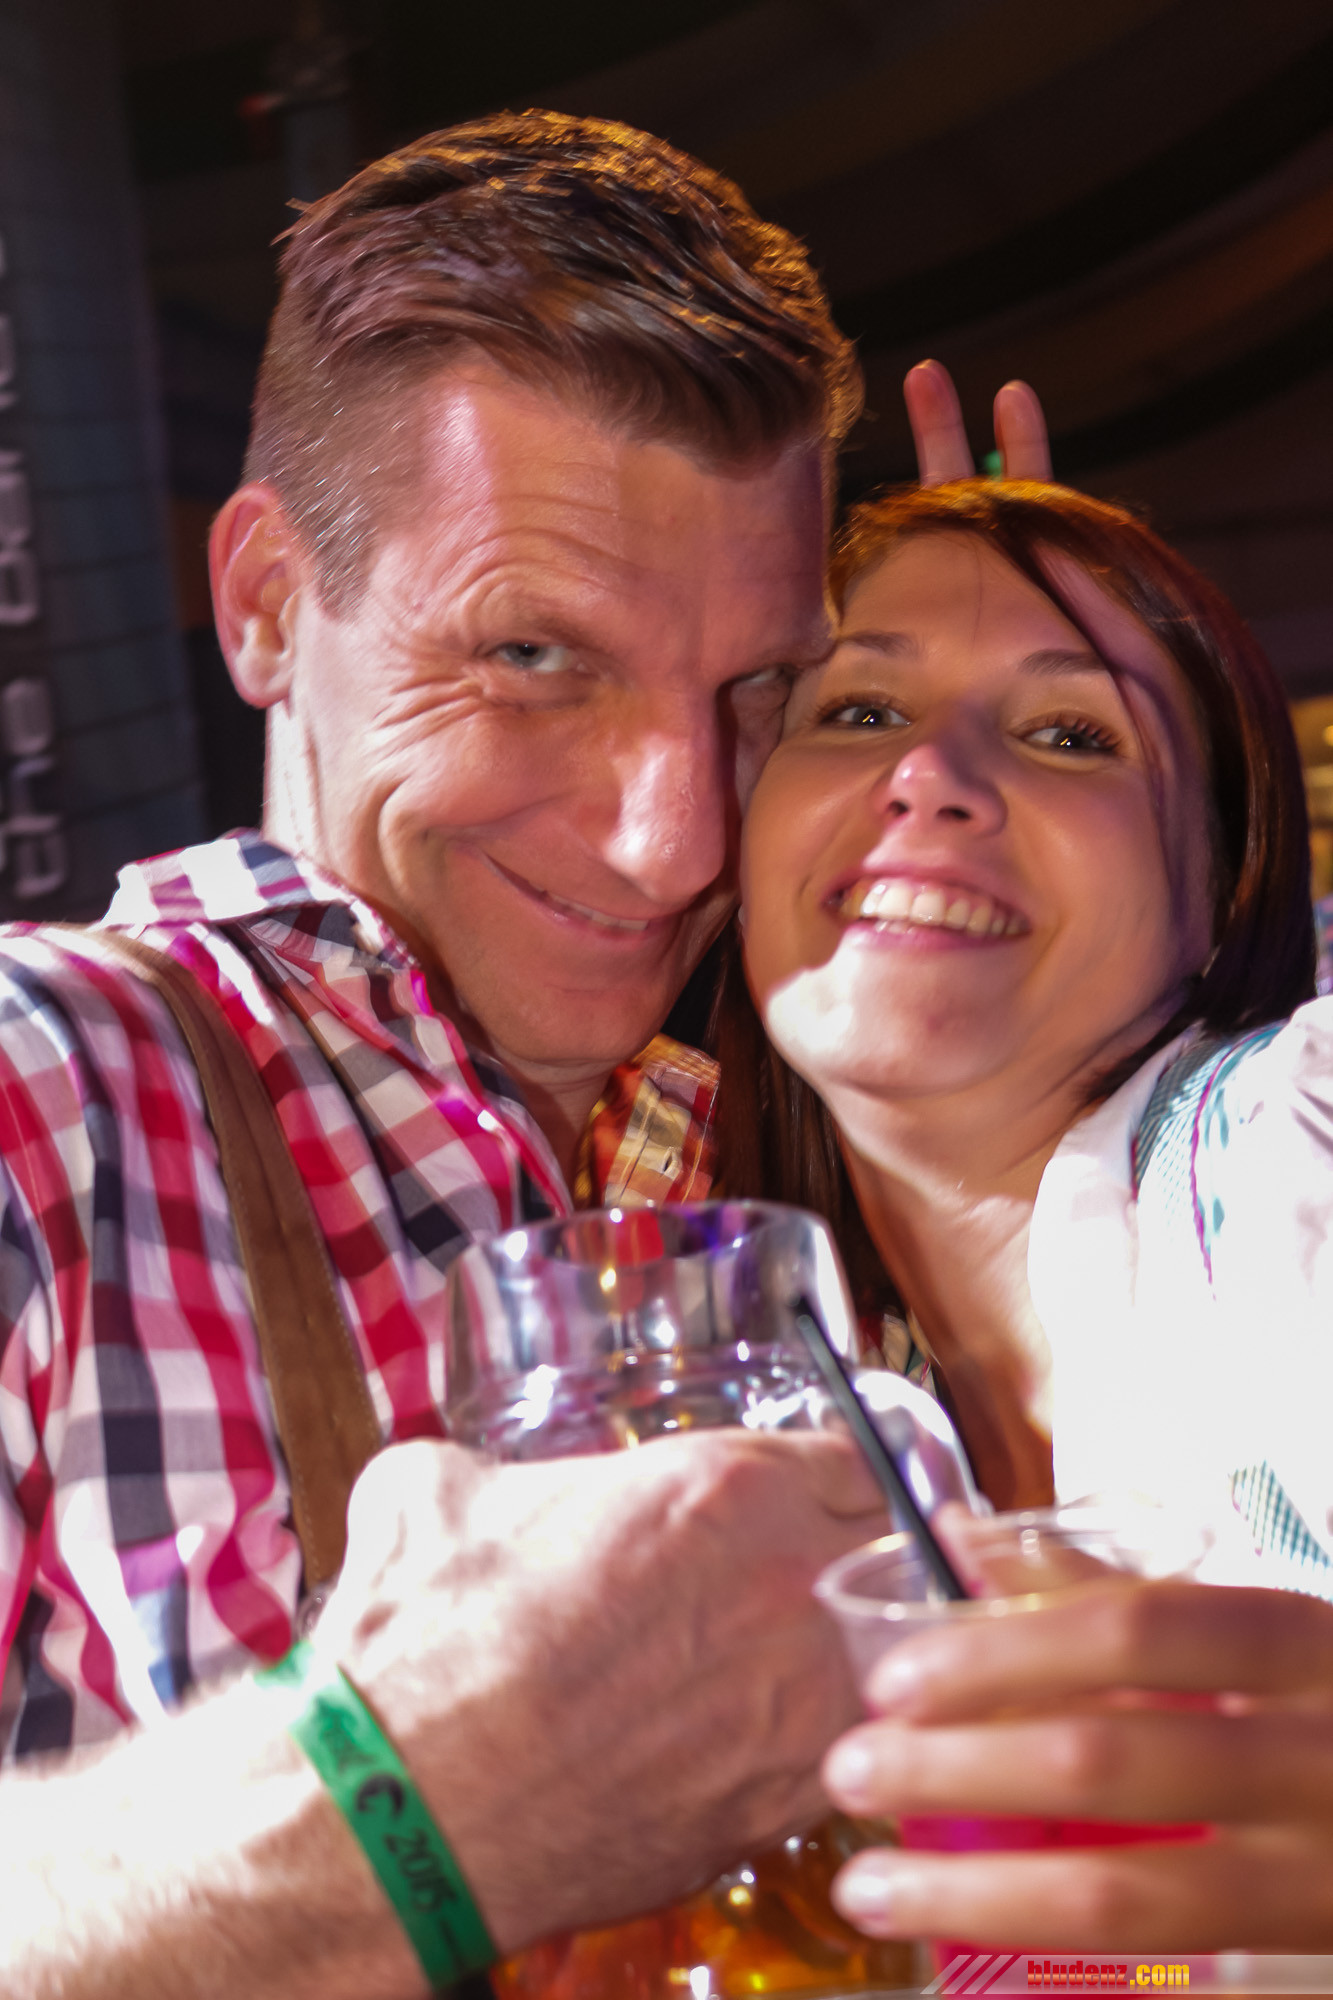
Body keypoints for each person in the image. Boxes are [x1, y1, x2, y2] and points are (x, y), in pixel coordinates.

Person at [0, 111, 1050, 1995]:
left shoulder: (766, 1134)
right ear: (266, 604)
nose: (675, 841)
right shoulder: (44, 1082)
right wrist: (410, 1795)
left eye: (760, 688)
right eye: (535, 658)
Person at [727, 468, 1333, 1951]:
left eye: (1071, 733)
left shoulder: (1290, 1147)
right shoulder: (771, 1381)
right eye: (860, 709)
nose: (928, 774)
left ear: (1219, 885)